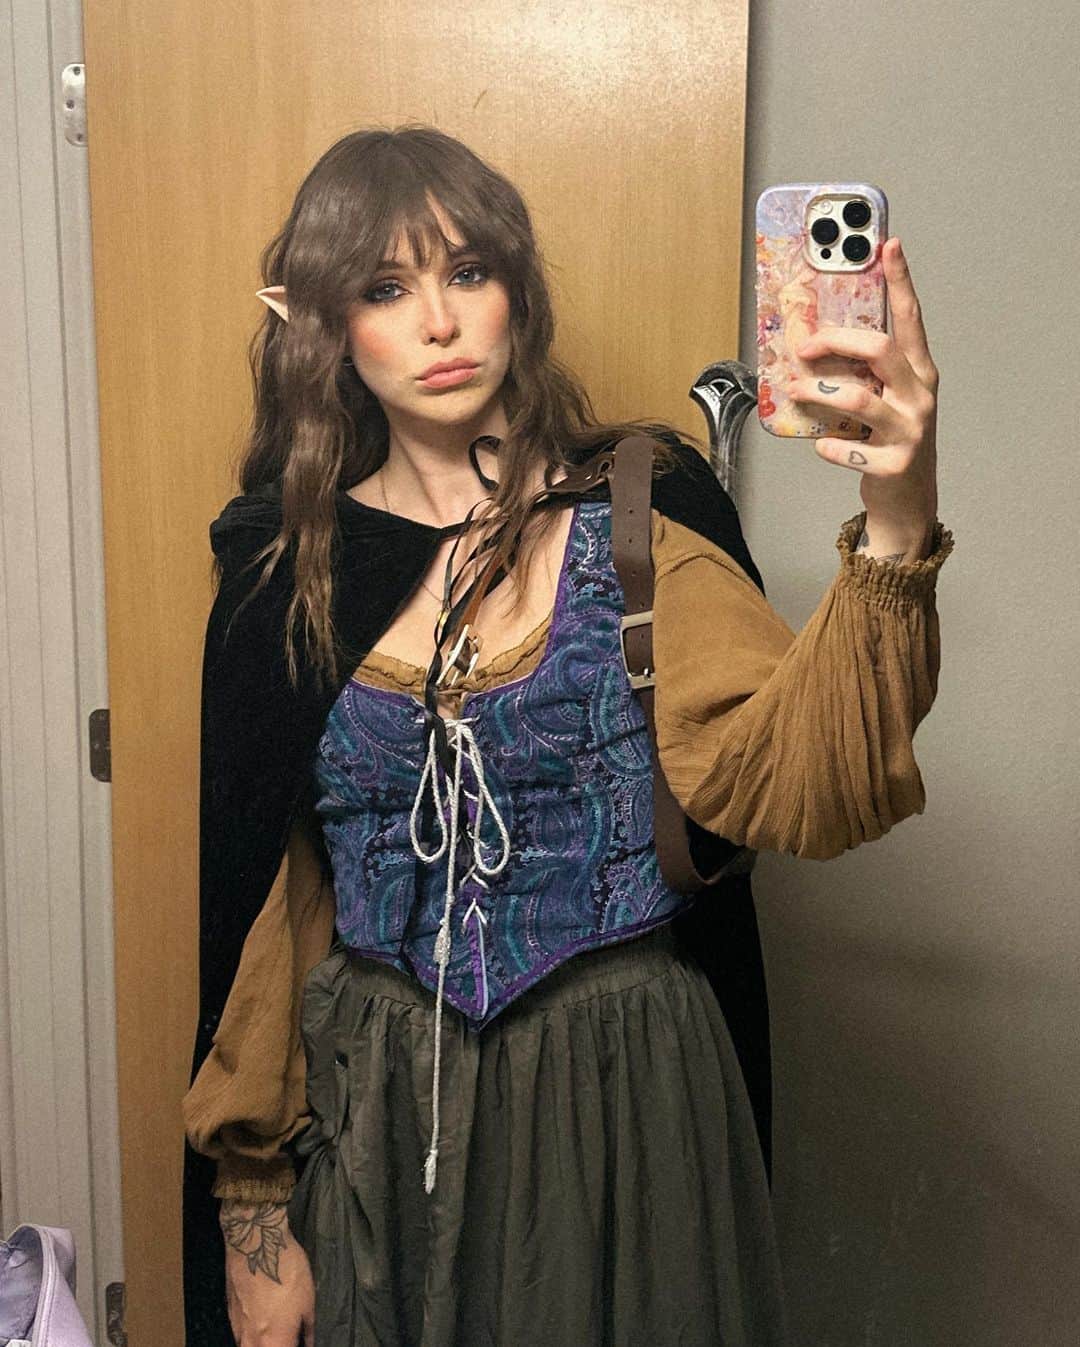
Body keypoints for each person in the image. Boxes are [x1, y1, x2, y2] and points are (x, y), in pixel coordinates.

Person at [180, 125, 953, 1347]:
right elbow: (270, 912)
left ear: (518, 293)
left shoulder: (641, 510)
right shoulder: (288, 573)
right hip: (381, 1119)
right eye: (385, 288)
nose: (439, 322)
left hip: (626, 1104)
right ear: (325, 326)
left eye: (467, 272)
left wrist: (897, 505)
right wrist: (254, 1219)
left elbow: (811, 779)